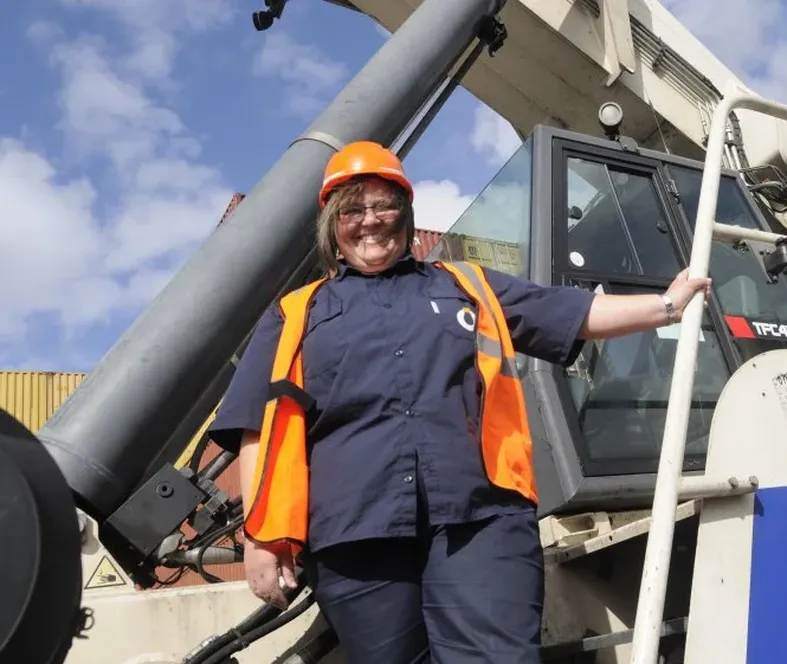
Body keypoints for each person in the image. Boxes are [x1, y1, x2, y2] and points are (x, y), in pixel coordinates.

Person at [207, 140, 711, 663]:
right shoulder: (295, 313)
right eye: (352, 210)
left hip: (482, 519)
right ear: (332, 225)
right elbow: (258, 428)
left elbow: (569, 312)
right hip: (354, 532)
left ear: (405, 213)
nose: (370, 220)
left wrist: (667, 305)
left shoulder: (467, 286)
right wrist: (261, 539)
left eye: (384, 206)